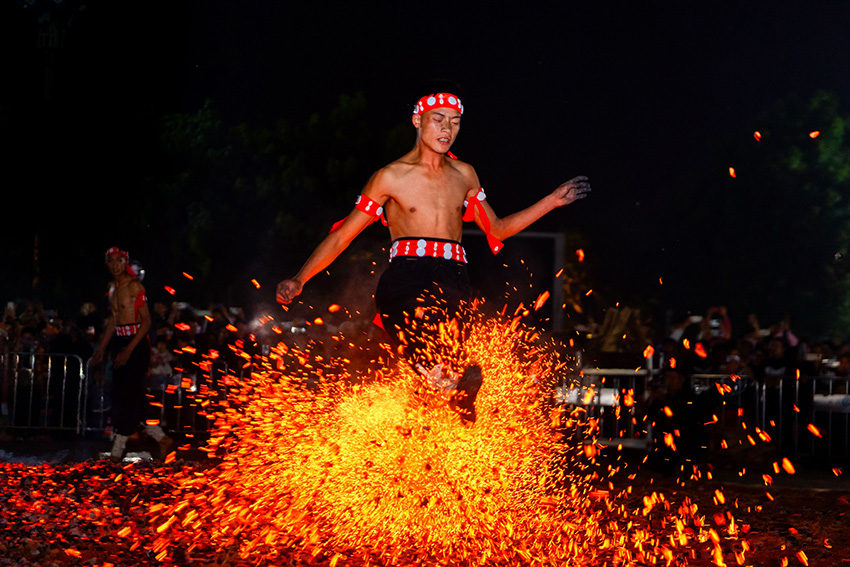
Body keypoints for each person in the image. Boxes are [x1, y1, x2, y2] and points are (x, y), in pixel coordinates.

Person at [276, 86, 591, 423]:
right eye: (438, 120)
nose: (447, 129)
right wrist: (300, 277)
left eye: (454, 122)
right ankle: (444, 386)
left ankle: (449, 392)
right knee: (415, 337)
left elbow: (497, 229)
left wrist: (552, 201)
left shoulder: (464, 174)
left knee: (443, 358)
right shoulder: (390, 177)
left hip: (453, 277)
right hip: (407, 276)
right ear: (417, 120)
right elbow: (342, 237)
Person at [92, 247, 174, 461]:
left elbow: (147, 321)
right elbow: (114, 320)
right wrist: (101, 349)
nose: (115, 265)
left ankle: (121, 449)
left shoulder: (135, 286)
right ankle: (156, 440)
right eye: (111, 261)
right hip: (120, 341)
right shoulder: (112, 288)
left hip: (136, 344)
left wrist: (129, 350)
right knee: (121, 396)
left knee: (131, 395)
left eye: (119, 261)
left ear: (125, 262)